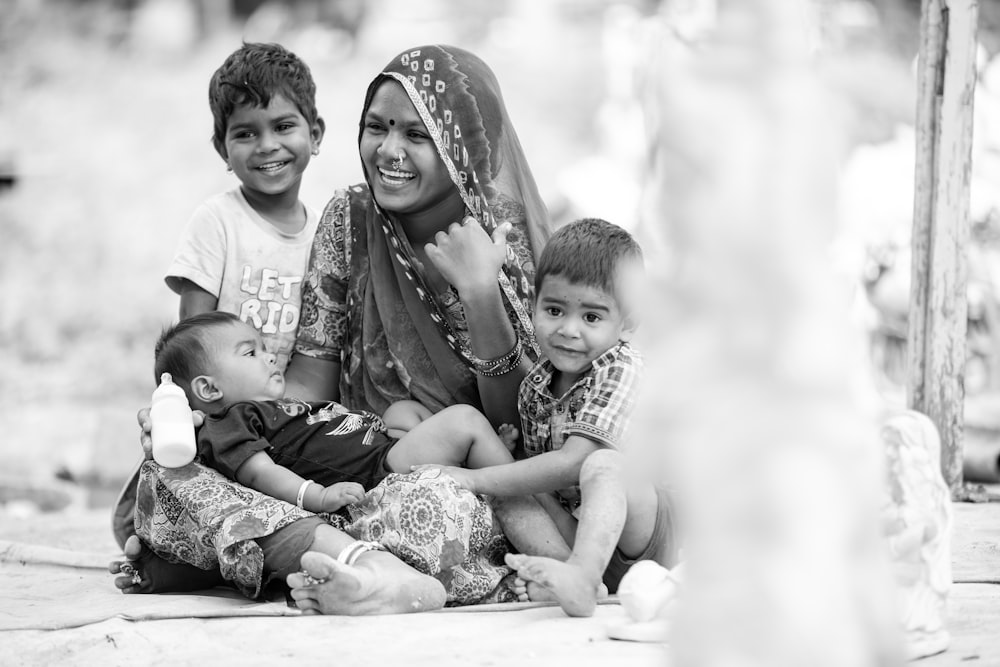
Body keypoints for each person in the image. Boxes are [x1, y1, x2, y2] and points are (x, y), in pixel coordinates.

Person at [111, 45, 563, 614]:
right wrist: (215, 419)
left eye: (416, 135)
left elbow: (519, 426)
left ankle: (338, 567)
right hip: (345, 482)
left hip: (460, 490)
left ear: (464, 145)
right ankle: (361, 570)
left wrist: (479, 294)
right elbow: (307, 393)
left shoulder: (506, 240)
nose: (388, 150)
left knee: (434, 507)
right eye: (377, 127)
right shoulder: (350, 219)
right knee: (169, 479)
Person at [410, 218, 676, 618]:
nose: (568, 330)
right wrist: (508, 460)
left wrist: (471, 477)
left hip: (644, 534)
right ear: (533, 304)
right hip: (575, 533)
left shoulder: (622, 369)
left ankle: (582, 576)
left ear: (627, 323)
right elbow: (542, 480)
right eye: (554, 310)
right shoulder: (537, 383)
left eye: (591, 317)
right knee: (507, 490)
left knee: (604, 464)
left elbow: (571, 464)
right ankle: (571, 578)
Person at [153, 311, 524, 514]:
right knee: (464, 420)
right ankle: (503, 471)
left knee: (403, 409)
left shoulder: (274, 408)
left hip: (382, 442)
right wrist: (316, 497)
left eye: (265, 347)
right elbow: (262, 473)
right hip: (377, 471)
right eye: (250, 353)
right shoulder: (230, 422)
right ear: (208, 389)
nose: (269, 355)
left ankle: (482, 455)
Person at [166, 42, 324, 371]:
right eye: (246, 133)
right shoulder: (217, 222)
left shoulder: (325, 236)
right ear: (223, 151)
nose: (267, 146)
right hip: (227, 408)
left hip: (299, 408)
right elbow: (193, 333)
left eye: (283, 127)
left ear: (315, 135)